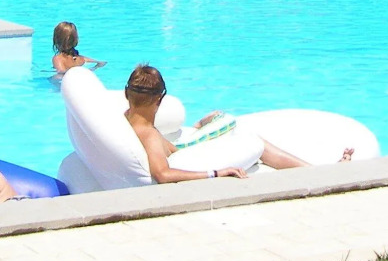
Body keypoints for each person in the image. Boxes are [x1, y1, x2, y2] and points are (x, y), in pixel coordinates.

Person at [122, 64, 352, 183]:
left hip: (183, 148)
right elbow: (163, 174)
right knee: (254, 141)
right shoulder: (148, 134)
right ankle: (319, 174)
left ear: (126, 94)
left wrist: (200, 129)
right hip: (189, 157)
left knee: (227, 125)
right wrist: (217, 173)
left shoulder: (127, 119)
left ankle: (317, 171)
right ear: (160, 99)